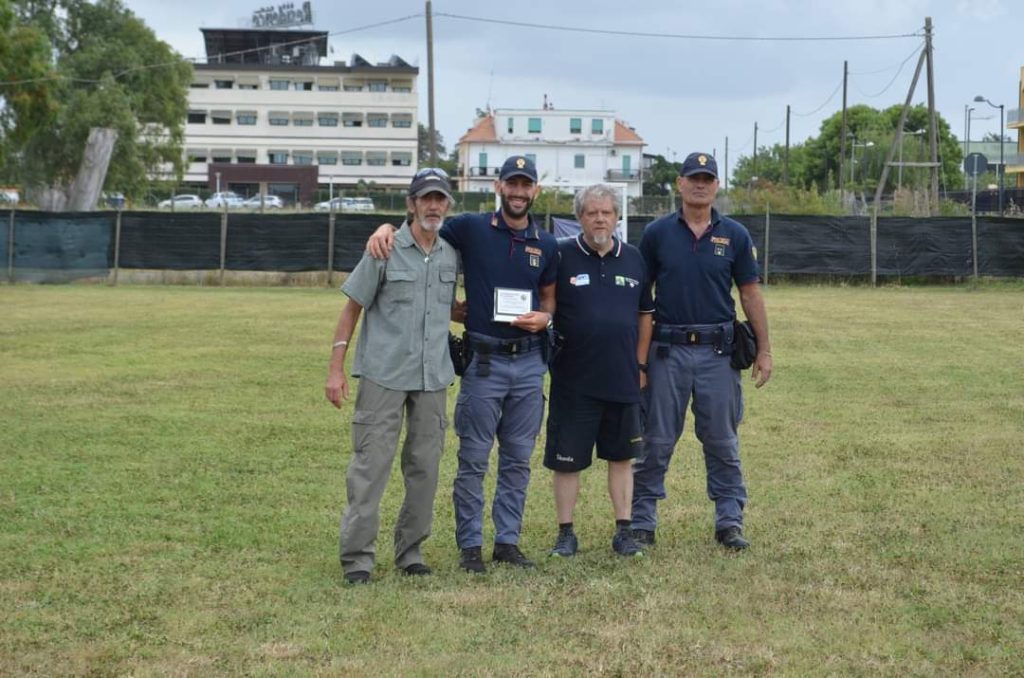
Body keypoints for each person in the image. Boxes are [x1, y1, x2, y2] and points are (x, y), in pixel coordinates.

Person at [366, 157, 557, 572]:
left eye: (526, 185)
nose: (518, 192)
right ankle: (470, 546)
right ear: (498, 186)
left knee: (517, 459)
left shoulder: (547, 243)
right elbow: (420, 229)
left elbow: (549, 298)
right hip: (484, 363)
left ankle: (507, 542)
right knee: (473, 460)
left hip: (528, 364)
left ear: (535, 191)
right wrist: (385, 228)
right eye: (512, 184)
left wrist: (546, 318)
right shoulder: (470, 228)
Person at [632, 152, 773, 551]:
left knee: (722, 441)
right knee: (656, 441)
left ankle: (729, 521)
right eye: (693, 177)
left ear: (716, 186)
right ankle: (641, 521)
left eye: (707, 178)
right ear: (679, 183)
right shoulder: (657, 234)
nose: (700, 184)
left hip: (718, 353)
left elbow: (750, 293)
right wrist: (636, 358)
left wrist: (764, 350)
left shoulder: (736, 235)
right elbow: (641, 297)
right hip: (667, 352)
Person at [325, 168, 458, 584]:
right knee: (371, 467)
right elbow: (352, 308)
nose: (433, 206)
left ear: (448, 205)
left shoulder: (450, 254)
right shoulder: (383, 248)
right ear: (411, 204)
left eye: (439, 198)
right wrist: (335, 369)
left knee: (425, 467)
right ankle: (357, 560)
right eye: (425, 198)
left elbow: (444, 306)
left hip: (432, 378)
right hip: (383, 375)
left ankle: (411, 552)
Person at [544, 184, 654, 558]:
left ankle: (624, 531)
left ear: (617, 217)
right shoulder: (561, 255)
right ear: (580, 218)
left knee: (622, 458)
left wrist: (640, 364)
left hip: (622, 377)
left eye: (606, 212)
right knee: (567, 461)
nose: (600, 219)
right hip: (573, 380)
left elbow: (645, 316)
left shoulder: (634, 258)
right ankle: (565, 533)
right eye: (592, 213)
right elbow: (545, 305)